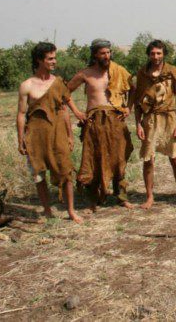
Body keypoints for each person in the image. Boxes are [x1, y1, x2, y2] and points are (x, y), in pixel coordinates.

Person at [16, 42, 83, 223]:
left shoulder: (58, 82)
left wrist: (69, 135)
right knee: (39, 175)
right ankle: (47, 210)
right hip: (35, 136)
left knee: (66, 171)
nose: (54, 61)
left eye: (55, 58)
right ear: (39, 60)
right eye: (50, 58)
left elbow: (63, 110)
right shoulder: (27, 85)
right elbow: (21, 114)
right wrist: (20, 139)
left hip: (57, 134)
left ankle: (71, 211)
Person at [67, 39, 135, 210]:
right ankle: (93, 198)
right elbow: (64, 92)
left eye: (108, 52)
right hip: (94, 122)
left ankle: (121, 196)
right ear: (95, 55)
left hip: (115, 120)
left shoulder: (118, 71)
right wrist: (77, 112)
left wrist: (129, 107)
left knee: (119, 158)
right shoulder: (85, 74)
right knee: (93, 158)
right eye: (103, 53)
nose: (107, 56)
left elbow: (133, 89)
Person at [133, 40, 176, 208]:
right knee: (148, 159)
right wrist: (138, 124)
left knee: (175, 158)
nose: (156, 56)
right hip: (150, 119)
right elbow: (138, 102)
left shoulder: (172, 71)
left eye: (159, 53)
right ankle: (150, 197)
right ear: (148, 54)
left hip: (170, 117)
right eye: (152, 53)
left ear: (164, 54)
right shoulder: (143, 74)